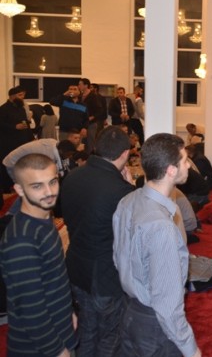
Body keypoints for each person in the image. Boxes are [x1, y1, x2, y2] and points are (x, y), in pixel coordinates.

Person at [112, 133, 201, 357]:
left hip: (129, 312)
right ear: (171, 170)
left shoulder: (127, 201)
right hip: (154, 328)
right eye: (184, 160)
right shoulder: (162, 227)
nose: (188, 165)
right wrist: (191, 350)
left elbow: (117, 257)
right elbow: (167, 306)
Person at [60, 126, 135, 356]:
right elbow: (136, 232)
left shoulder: (72, 177)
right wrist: (131, 188)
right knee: (111, 335)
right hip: (105, 276)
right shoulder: (121, 191)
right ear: (125, 153)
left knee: (87, 327)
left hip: (76, 267)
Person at [0, 153, 77, 357]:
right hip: (39, 349)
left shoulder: (42, 220)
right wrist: (57, 350)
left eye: (52, 182)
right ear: (19, 190)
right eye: (37, 186)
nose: (49, 192)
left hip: (59, 334)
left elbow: (53, 280)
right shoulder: (21, 239)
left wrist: (68, 312)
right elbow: (30, 308)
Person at [0, 87, 34, 192]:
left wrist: (31, 138)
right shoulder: (3, 109)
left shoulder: (21, 109)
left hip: (22, 142)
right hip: (8, 143)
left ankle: (19, 186)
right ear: (12, 96)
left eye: (23, 95)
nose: (22, 97)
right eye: (20, 95)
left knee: (21, 165)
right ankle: (6, 188)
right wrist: (14, 127)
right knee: (7, 165)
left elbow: (25, 124)